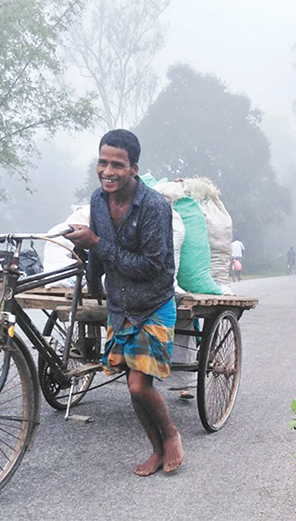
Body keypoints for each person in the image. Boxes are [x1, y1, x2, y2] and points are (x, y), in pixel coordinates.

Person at [64, 129, 184, 476]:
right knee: (134, 391)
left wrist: (96, 243)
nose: (107, 171)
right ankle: (156, 449)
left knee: (138, 384)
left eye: (117, 164)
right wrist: (92, 280)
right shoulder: (99, 201)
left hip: (153, 303)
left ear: (134, 168)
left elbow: (150, 266)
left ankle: (172, 436)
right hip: (119, 305)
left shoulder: (154, 207)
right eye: (102, 162)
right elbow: (97, 254)